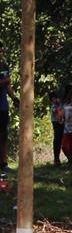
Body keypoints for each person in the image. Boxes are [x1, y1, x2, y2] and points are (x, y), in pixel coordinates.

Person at [0, 43, 19, 172]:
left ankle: (4, 163)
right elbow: (6, 82)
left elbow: (8, 86)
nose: (1, 52)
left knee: (3, 135)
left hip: (2, 106)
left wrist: (14, 98)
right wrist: (4, 81)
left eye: (2, 50)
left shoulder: (4, 66)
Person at [50, 91, 64, 165]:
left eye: (57, 98)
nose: (56, 100)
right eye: (54, 99)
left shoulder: (63, 105)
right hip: (56, 123)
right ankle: (56, 159)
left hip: (63, 123)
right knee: (57, 140)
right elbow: (57, 111)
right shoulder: (53, 106)